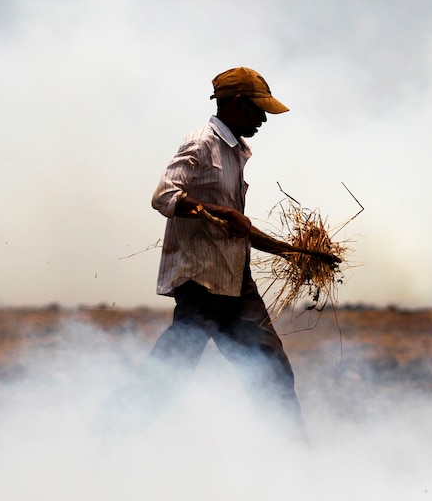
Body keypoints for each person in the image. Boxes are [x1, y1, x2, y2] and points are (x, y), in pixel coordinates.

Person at [100, 67, 318, 440]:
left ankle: (295, 463)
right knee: (167, 381)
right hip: (201, 286)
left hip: (236, 283)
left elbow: (236, 229)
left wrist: (290, 252)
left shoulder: (237, 152)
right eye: (257, 109)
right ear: (235, 105)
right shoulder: (201, 143)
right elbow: (164, 197)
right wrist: (226, 213)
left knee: (273, 372)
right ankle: (100, 436)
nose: (263, 119)